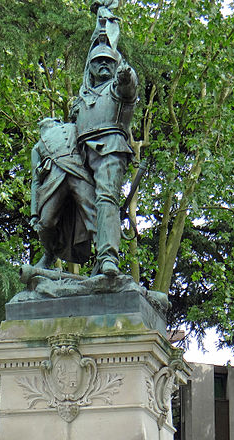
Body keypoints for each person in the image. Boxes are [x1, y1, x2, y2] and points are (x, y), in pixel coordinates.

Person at [70, 40, 138, 276]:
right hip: (79, 155)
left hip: (109, 148)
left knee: (106, 197)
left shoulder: (116, 88)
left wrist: (126, 75)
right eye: (98, 61)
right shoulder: (81, 98)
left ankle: (109, 256)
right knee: (79, 203)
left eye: (108, 61)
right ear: (89, 67)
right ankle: (90, 255)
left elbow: (129, 86)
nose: (103, 65)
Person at [30, 117, 97, 269]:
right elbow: (35, 181)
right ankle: (49, 255)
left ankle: (105, 257)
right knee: (46, 223)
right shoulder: (37, 147)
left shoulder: (74, 127)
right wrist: (34, 213)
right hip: (53, 181)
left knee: (93, 215)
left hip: (78, 171)